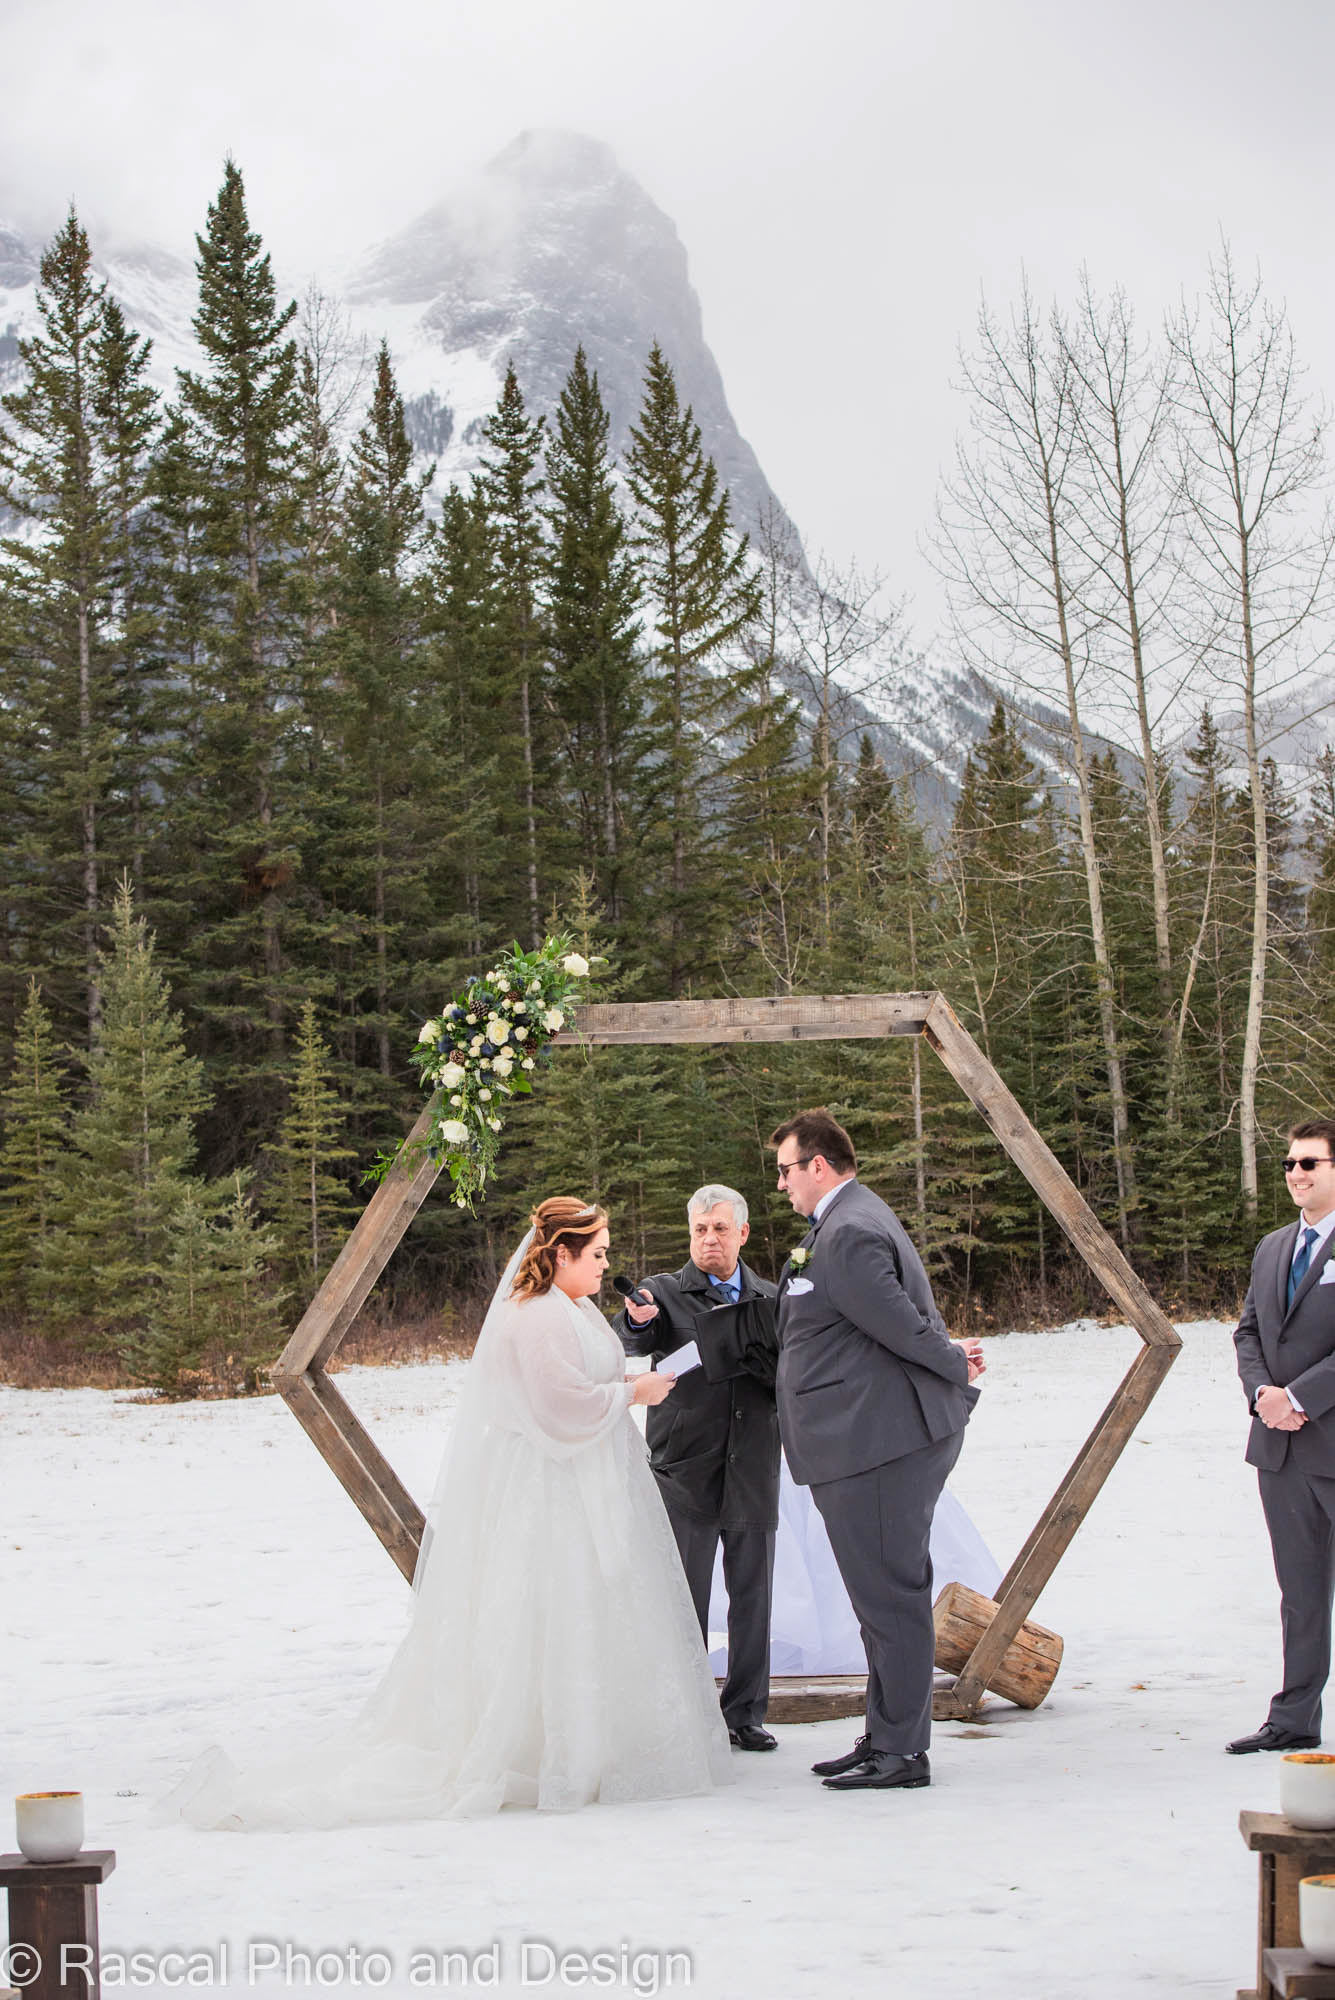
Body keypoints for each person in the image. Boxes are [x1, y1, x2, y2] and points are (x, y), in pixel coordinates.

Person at [158, 1200, 732, 1826]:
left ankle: (587, 1736)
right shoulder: (536, 1315)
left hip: (580, 1480)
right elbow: (556, 1402)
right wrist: (631, 1394)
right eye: (596, 1254)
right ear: (561, 1254)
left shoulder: (573, 1306)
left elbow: (581, 1374)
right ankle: (542, 1744)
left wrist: (628, 1368)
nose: (605, 1265)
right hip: (549, 1488)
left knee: (582, 1607)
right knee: (549, 1604)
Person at [770, 1108, 985, 1793]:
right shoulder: (840, 1224)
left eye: (785, 1170)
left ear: (818, 1167)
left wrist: (954, 1363)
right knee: (877, 1599)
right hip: (862, 1439)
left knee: (892, 1598)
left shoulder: (851, 1231)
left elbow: (902, 1325)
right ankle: (884, 1734)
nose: (781, 1185)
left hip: (880, 1443)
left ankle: (901, 1753)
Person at [614, 1184, 781, 1751]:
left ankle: (745, 1713)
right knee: (686, 1594)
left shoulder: (770, 1295)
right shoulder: (664, 1291)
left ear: (743, 1233)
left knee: (752, 1593)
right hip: (685, 1467)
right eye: (699, 1230)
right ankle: (685, 1710)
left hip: (754, 1461)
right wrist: (638, 1322)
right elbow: (639, 1334)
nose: (708, 1240)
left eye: (719, 1229)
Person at [1229, 1119, 1335, 1755]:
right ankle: (1294, 1717)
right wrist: (1265, 1397)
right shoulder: (1272, 1247)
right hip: (1281, 1450)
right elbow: (1247, 1332)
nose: (1296, 1173)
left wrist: (1299, 1398)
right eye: (1291, 1163)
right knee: (1299, 1592)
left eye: (1311, 1163)